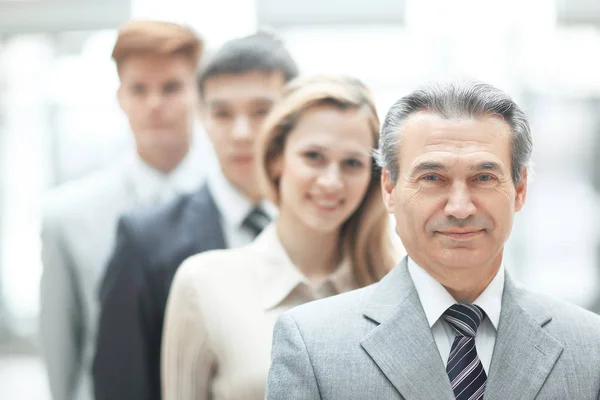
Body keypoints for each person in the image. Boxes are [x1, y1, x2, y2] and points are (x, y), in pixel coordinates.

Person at [266, 80, 600, 400]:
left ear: (520, 189)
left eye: (483, 177)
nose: (459, 207)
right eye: (432, 178)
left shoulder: (590, 346)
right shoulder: (314, 346)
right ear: (389, 189)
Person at [161, 74, 396, 400]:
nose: (331, 181)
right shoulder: (203, 283)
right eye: (313, 156)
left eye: (352, 163)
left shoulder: (394, 288)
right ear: (275, 160)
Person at [92, 32, 298, 400]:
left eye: (260, 111)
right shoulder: (146, 241)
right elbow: (121, 383)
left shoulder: (325, 228)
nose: (240, 133)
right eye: (222, 113)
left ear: (291, 116)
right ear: (201, 115)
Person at [39, 20, 205, 400]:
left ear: (199, 92)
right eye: (139, 89)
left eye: (171, 87)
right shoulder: (67, 216)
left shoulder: (238, 207)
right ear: (120, 96)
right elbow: (62, 347)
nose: (155, 104)